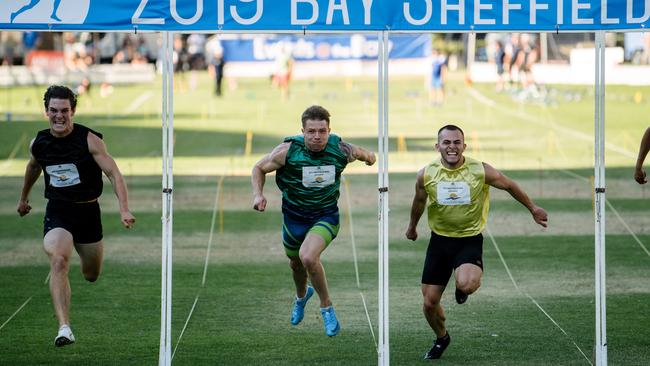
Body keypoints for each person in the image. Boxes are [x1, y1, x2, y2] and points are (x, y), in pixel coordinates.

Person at [405, 125, 548, 360]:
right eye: (446, 142)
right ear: (437, 146)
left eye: (456, 142)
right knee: (429, 304)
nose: (452, 147)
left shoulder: (480, 170)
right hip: (439, 242)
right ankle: (442, 338)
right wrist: (412, 227)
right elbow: (419, 201)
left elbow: (510, 185)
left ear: (464, 145)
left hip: (468, 240)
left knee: (466, 284)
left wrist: (533, 208)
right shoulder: (426, 173)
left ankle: (462, 288)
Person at [17, 85, 135, 347]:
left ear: (73, 111)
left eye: (64, 111)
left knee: (91, 274)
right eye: (53, 111)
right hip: (58, 211)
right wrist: (24, 198)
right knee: (59, 260)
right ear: (46, 111)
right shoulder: (40, 143)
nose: (59, 116)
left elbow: (114, 173)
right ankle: (64, 327)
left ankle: (86, 267)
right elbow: (33, 167)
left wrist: (124, 207)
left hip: (88, 211)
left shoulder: (89, 140)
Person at [251, 105, 376, 337]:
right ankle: (301, 296)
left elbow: (366, 155)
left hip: (325, 215)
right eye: (311, 132)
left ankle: (326, 307)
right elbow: (258, 168)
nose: (317, 137)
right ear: (302, 131)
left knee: (308, 256)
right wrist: (258, 194)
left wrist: (370, 158)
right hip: (294, 217)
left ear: (329, 131)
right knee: (295, 264)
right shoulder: (287, 152)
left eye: (322, 131)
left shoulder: (341, 149)